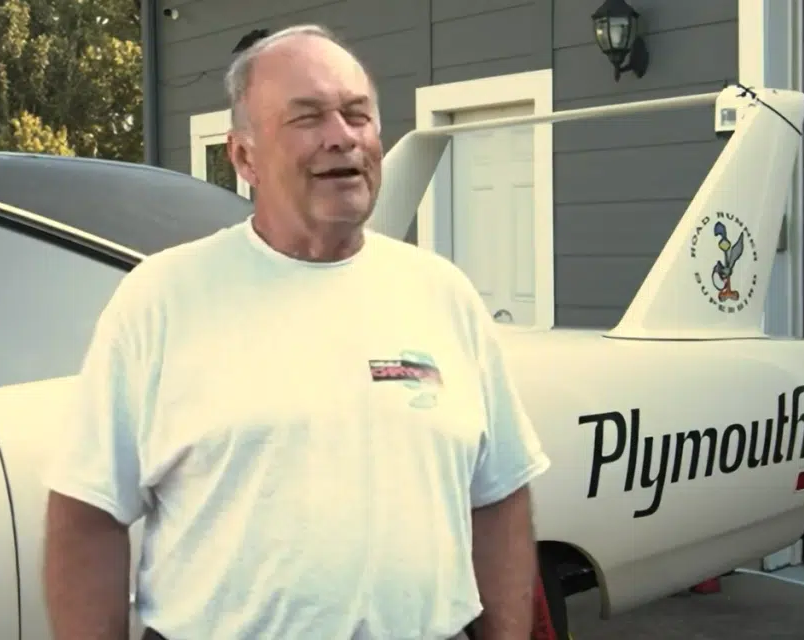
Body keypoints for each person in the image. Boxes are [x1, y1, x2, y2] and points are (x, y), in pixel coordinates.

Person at [42, 23, 551, 640]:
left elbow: (497, 499)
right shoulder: (163, 299)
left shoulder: (442, 294)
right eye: (307, 118)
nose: (341, 138)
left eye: (357, 115)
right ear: (244, 156)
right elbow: (87, 514)